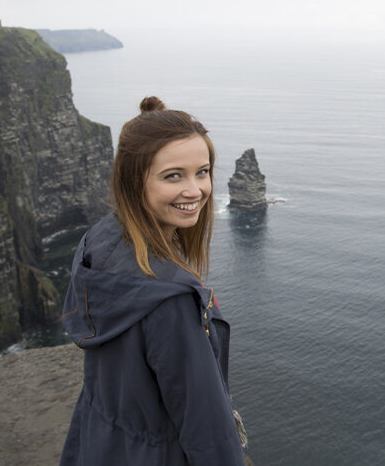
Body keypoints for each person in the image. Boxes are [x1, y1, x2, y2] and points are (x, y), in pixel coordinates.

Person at [60, 96, 246, 465]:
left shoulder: (98, 242)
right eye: (172, 176)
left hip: (101, 443)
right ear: (133, 181)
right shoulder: (171, 300)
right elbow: (207, 429)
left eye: (203, 171)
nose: (195, 191)